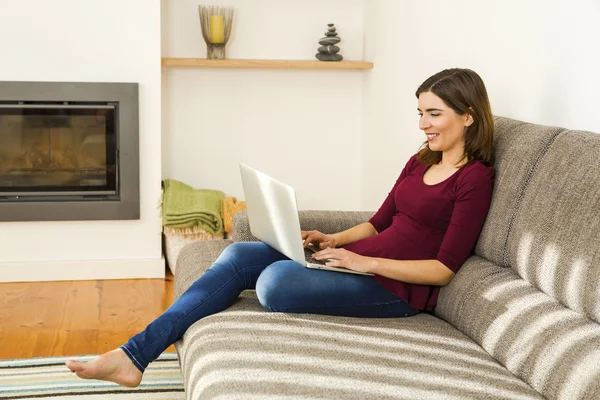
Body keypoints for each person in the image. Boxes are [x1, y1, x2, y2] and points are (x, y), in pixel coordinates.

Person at [65, 68, 495, 387]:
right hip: (356, 264)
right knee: (236, 254)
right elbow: (378, 222)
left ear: (469, 117)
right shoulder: (420, 160)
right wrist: (333, 241)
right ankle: (133, 355)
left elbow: (443, 269)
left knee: (272, 283)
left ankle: (134, 357)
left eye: (434, 114)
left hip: (395, 290)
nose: (423, 125)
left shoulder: (474, 177)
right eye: (420, 113)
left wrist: (362, 263)